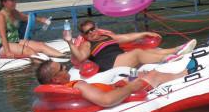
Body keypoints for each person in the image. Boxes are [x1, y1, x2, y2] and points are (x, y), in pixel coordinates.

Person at [65, 17, 196, 72]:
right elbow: (81, 57)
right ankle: (166, 59)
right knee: (137, 53)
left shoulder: (107, 36)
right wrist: (70, 42)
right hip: (110, 64)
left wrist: (145, 33)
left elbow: (126, 37)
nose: (91, 33)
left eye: (92, 29)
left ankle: (177, 49)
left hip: (121, 58)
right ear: (84, 35)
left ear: (96, 27)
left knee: (147, 51)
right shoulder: (88, 44)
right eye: (87, 32)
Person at [36, 61, 187, 108]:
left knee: (136, 71)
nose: (64, 67)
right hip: (121, 91)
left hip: (117, 86)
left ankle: (146, 71)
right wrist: (130, 88)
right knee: (154, 75)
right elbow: (106, 100)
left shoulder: (62, 89)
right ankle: (183, 74)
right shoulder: (77, 85)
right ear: (55, 80)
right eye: (61, 68)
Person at [0, 0, 67, 59]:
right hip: (3, 46)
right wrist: (8, 52)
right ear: (4, 3)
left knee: (41, 45)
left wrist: (41, 20)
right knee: (29, 51)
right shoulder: (1, 16)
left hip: (16, 41)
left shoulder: (14, 12)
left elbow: (26, 18)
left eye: (14, 0)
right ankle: (43, 66)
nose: (14, 2)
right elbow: (2, 36)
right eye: (11, 1)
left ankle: (66, 56)